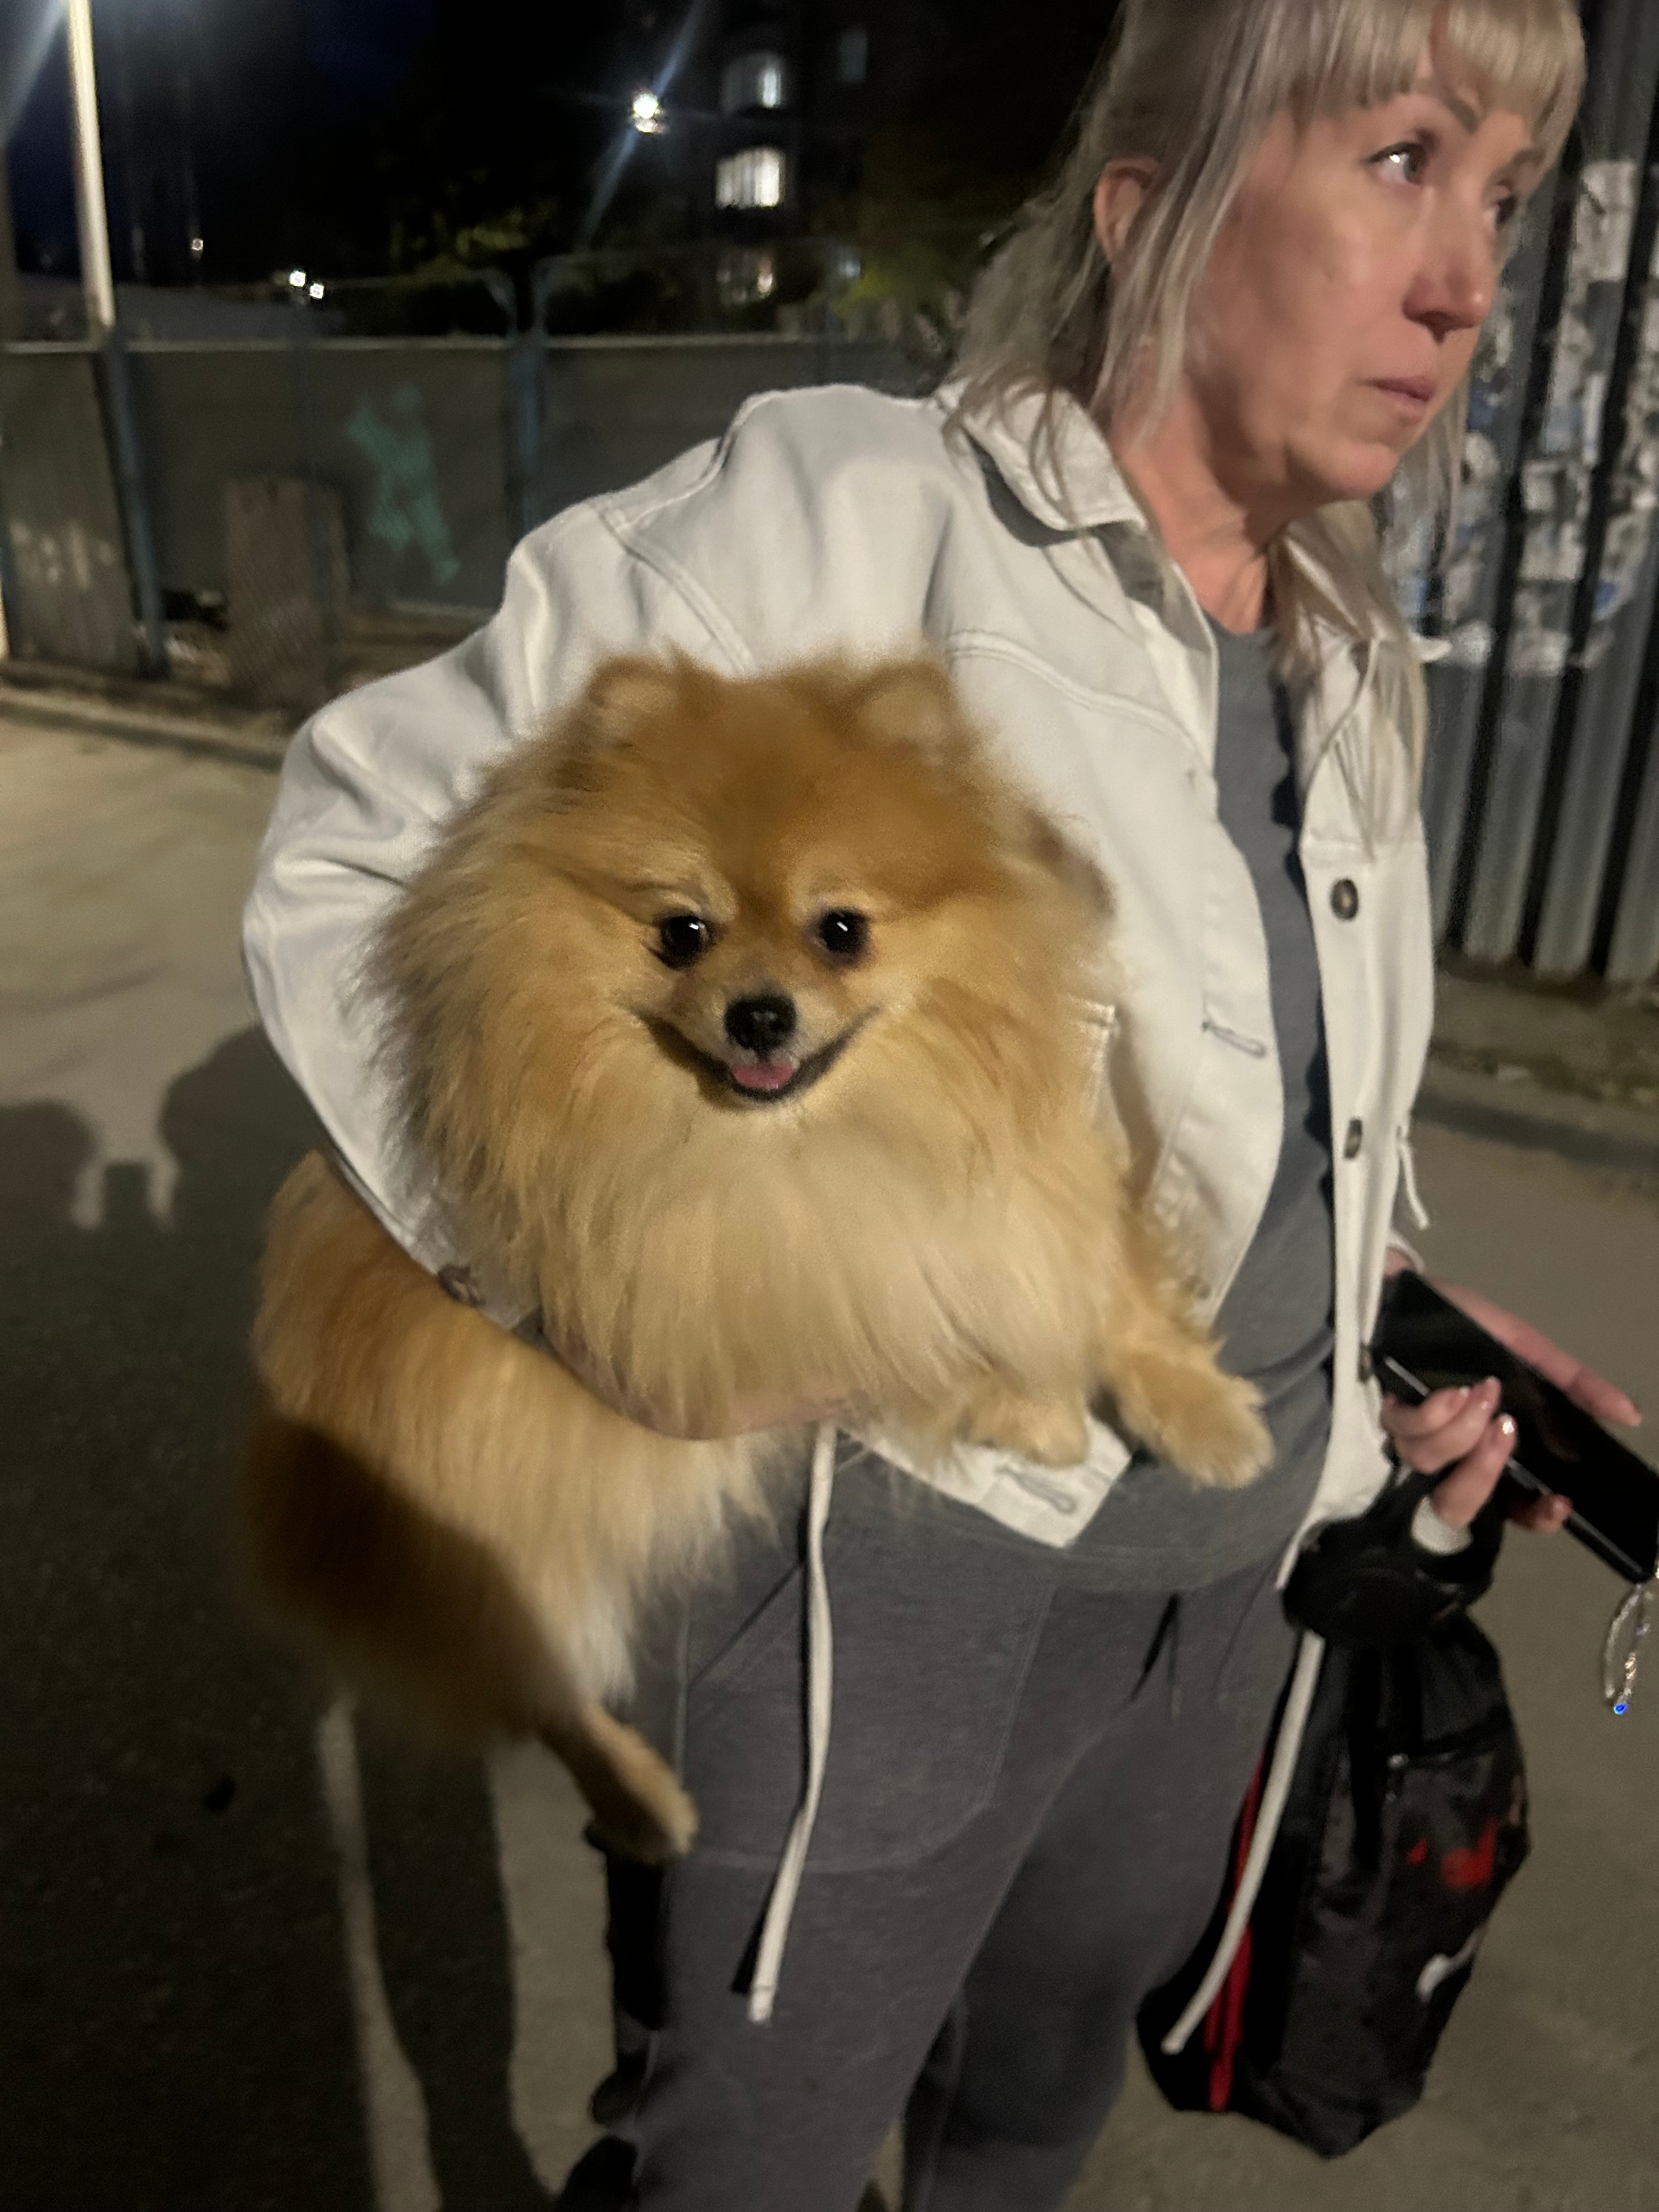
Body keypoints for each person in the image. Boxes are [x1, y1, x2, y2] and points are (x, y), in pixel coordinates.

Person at [244, 3, 1636, 2206]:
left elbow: (1262, 1104)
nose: (1469, 277)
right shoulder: (849, 510)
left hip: (1222, 1601)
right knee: (750, 2158)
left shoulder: (1345, 648)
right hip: (895, 1584)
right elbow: (346, 860)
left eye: (1504, 198)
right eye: (1403, 159)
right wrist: (582, 1294)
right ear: (1153, 208)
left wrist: (1398, 1345)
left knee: (1024, 2123)